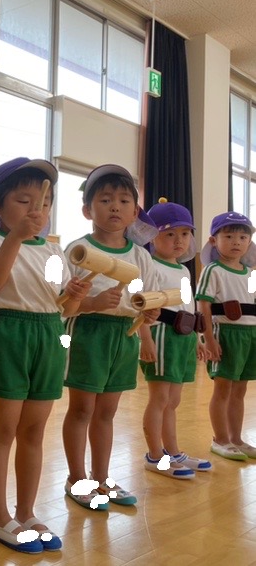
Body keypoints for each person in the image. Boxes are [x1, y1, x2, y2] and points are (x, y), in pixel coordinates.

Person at [0, 157, 91, 554]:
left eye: (44, 202)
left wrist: (75, 297)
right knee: (4, 429)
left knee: (34, 432)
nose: (36, 210)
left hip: (50, 335)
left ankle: (26, 512)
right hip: (9, 333)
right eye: (24, 201)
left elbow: (63, 309)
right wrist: (16, 238)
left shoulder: (55, 251)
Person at [62, 164, 160, 510]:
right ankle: (77, 479)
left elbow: (145, 301)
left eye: (123, 201)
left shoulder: (140, 255)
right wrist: (91, 303)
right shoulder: (77, 250)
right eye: (104, 200)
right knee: (82, 410)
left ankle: (101, 479)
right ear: (87, 210)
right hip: (88, 333)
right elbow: (63, 307)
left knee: (106, 412)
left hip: (125, 336)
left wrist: (147, 322)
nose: (115, 207)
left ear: (134, 212)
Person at [141, 199, 211, 479]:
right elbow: (141, 305)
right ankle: (154, 456)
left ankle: (172, 451)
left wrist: (197, 338)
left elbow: (187, 305)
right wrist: (145, 339)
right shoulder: (149, 265)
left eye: (184, 233)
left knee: (173, 400)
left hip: (183, 337)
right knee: (159, 399)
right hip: (161, 334)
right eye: (169, 234)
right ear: (153, 237)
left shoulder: (184, 270)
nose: (179, 240)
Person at [196, 211, 256, 461]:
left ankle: (236, 438)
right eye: (229, 236)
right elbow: (203, 305)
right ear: (214, 241)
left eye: (242, 237)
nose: (236, 242)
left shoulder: (250, 273)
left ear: (249, 242)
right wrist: (209, 339)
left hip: (250, 335)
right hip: (226, 333)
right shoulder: (213, 270)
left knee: (240, 390)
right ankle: (220, 439)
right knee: (223, 389)